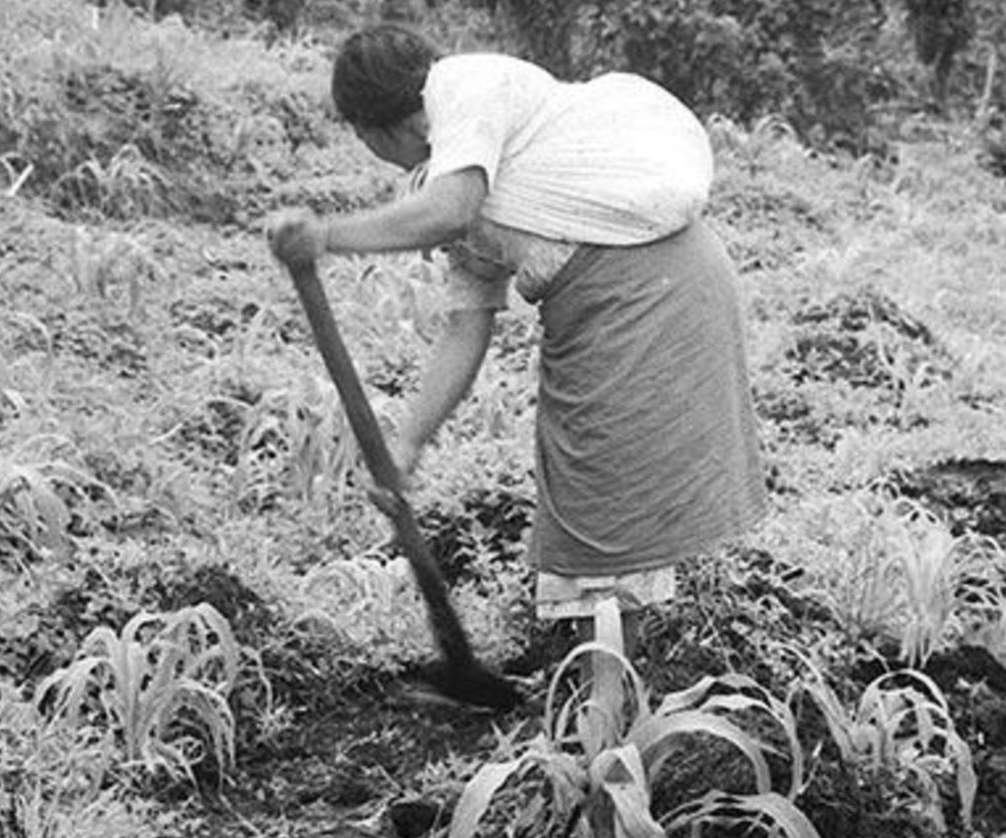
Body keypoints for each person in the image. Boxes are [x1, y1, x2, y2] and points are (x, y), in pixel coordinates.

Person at [267, 24, 767, 636]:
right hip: (602, 298)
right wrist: (408, 443)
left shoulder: (468, 88)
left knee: (599, 493)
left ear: (370, 131)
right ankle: (606, 683)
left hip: (644, 286)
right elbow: (465, 326)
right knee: (588, 485)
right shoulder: (453, 173)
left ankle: (606, 707)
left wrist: (324, 237)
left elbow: (448, 210)